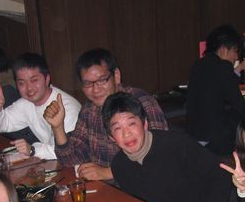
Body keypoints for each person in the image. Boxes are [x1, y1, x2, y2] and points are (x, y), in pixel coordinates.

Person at [105, 92, 233, 202]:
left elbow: (221, 176)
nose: (126, 134)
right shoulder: (119, 166)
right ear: (111, 137)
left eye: (131, 124)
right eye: (117, 128)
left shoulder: (177, 145)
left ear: (145, 124)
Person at [46, 48, 168, 181]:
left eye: (102, 80)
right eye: (88, 83)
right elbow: (71, 160)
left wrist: (108, 173)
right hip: (105, 187)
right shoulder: (89, 110)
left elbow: (160, 156)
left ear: (116, 76)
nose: (95, 89)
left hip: (140, 186)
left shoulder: (140, 102)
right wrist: (58, 127)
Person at [0, 52, 81, 160]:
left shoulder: (67, 108)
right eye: (22, 83)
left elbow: (68, 151)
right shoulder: (26, 103)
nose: (29, 88)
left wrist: (32, 150)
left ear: (47, 79)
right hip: (54, 163)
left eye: (34, 80)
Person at [187, 25, 245, 156]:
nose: (236, 57)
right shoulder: (223, 66)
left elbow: (217, 83)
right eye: (235, 51)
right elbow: (239, 104)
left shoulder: (199, 64)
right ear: (223, 49)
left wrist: (239, 68)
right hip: (213, 139)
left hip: (194, 134)